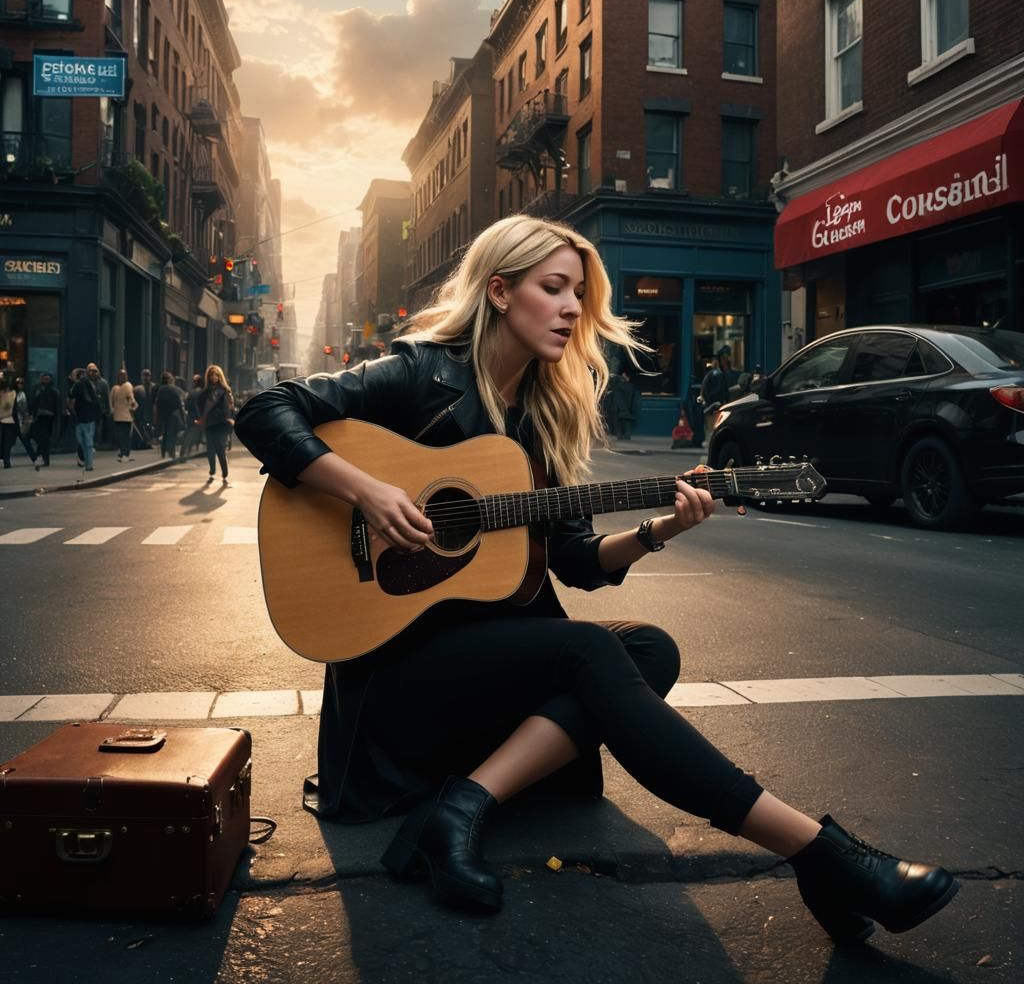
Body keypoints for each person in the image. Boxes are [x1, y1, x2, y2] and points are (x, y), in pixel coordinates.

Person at [235, 215, 958, 943]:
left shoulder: (546, 412)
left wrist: (658, 531)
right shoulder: (422, 373)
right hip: (395, 673)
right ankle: (819, 853)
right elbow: (265, 409)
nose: (574, 308)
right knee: (589, 654)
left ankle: (462, 806)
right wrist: (366, 491)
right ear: (499, 291)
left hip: (486, 667)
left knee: (650, 649)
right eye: (554, 288)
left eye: (579, 293)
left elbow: (576, 561)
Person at [196, 365, 235, 484]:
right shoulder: (204, 392)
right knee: (210, 449)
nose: (214, 377)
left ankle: (224, 472)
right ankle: (212, 470)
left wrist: (230, 419)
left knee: (220, 449)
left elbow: (230, 408)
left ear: (219, 376)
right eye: (211, 375)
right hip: (209, 424)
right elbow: (199, 406)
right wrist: (201, 418)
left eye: (216, 374)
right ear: (208, 377)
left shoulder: (224, 391)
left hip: (221, 424)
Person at [68, 367, 100, 471]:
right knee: (88, 441)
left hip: (81, 417)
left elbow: (72, 401)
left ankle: (87, 463)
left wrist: (73, 412)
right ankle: (89, 464)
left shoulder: (77, 385)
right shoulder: (90, 384)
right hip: (90, 416)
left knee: (82, 440)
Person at [699, 346, 734, 442]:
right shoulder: (718, 374)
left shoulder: (717, 374)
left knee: (713, 432)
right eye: (724, 358)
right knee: (713, 432)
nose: (726, 361)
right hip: (715, 409)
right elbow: (717, 395)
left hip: (714, 408)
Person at [29, 372, 61, 468]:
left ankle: (44, 458)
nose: (45, 381)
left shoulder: (54, 391)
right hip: (38, 417)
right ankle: (40, 456)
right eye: (43, 379)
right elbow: (33, 402)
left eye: (47, 379)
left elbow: (57, 406)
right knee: (39, 438)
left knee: (45, 439)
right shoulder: (37, 389)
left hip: (49, 418)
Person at [153, 371, 186, 459]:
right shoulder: (173, 389)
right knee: (172, 434)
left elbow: (157, 404)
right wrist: (183, 418)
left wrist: (156, 417)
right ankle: (171, 453)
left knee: (165, 433)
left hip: (163, 415)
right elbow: (179, 403)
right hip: (172, 415)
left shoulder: (160, 389)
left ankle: (163, 453)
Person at [109, 369, 137, 462]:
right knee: (126, 436)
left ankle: (123, 452)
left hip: (117, 416)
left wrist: (112, 411)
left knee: (121, 436)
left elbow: (110, 402)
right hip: (127, 416)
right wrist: (134, 409)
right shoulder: (128, 386)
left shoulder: (114, 388)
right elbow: (131, 399)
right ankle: (126, 454)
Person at [179, 373, 205, 459]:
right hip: (198, 418)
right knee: (193, 436)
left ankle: (184, 453)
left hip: (190, 417)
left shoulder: (191, 392)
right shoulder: (202, 393)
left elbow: (186, 405)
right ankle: (186, 454)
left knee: (188, 434)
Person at [86, 363, 112, 450]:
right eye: (91, 371)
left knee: (98, 427)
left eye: (95, 371)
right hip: (88, 409)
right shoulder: (85, 382)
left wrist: (108, 409)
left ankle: (96, 443)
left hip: (99, 409)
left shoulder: (103, 383)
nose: (93, 373)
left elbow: (107, 397)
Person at [13, 377, 38, 464]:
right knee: (8, 441)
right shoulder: (13, 394)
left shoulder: (25, 394)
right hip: (14, 419)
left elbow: (30, 405)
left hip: (22, 419)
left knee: (25, 440)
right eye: (18, 383)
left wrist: (29, 415)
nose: (20, 385)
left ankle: (34, 458)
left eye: (21, 383)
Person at [610, 366, 640, 440]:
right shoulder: (631, 387)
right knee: (627, 421)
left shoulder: (617, 387)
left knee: (618, 421)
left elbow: (617, 398)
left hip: (619, 408)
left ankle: (619, 434)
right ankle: (627, 434)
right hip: (628, 408)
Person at [133, 369, 156, 448]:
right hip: (141, 413)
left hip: (151, 412)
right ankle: (144, 442)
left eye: (147, 375)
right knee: (142, 428)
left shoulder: (154, 388)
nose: (146, 378)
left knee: (150, 428)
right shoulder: (137, 389)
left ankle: (150, 441)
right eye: (144, 375)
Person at [0, 371, 18, 469]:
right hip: (9, 420)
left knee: (6, 442)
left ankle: (6, 461)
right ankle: (6, 461)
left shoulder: (11, 394)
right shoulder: (12, 394)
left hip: (7, 420)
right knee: (7, 442)